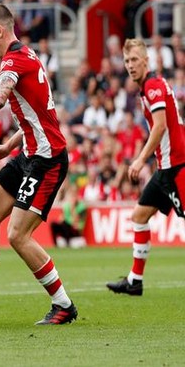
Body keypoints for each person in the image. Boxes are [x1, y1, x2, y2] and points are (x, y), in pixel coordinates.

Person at [0, 3, 77, 326]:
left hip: (47, 160)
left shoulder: (13, 60)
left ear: (0, 30)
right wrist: (9, 144)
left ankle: (63, 304)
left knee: (18, 235)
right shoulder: (27, 55)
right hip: (27, 151)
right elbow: (36, 111)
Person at [106, 38, 185, 296]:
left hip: (177, 165)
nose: (130, 65)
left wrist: (140, 159)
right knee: (139, 216)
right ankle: (135, 281)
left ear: (146, 61)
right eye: (127, 61)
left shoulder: (152, 85)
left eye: (135, 60)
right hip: (165, 168)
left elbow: (161, 125)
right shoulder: (148, 88)